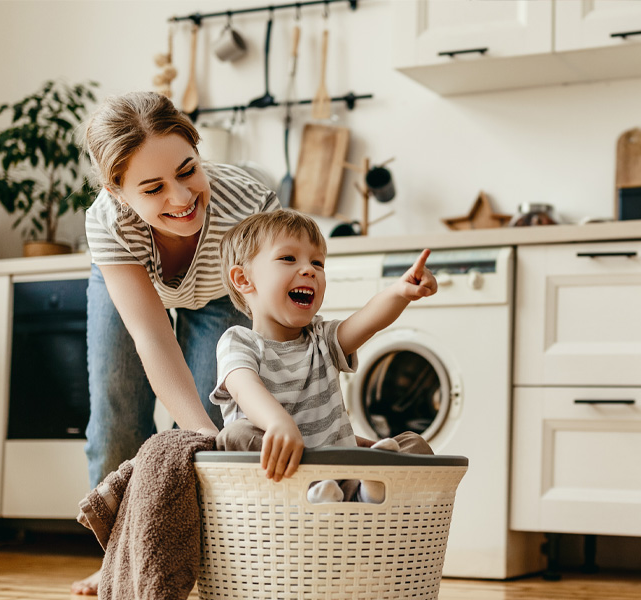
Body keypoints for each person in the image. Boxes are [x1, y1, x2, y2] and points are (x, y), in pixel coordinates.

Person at [71, 91, 278, 595]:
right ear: (119, 193)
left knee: (219, 420)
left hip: (222, 292)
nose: (182, 198)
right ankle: (120, 558)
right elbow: (151, 336)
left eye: (188, 171)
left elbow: (272, 317)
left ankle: (209, 563)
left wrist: (217, 435)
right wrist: (201, 436)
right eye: (154, 188)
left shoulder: (249, 204)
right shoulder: (108, 222)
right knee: (118, 413)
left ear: (198, 150)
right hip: (135, 281)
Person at [211, 210, 437, 503]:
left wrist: (400, 292)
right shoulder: (238, 342)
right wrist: (279, 423)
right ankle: (317, 494)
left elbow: (368, 320)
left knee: (414, 445)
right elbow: (244, 387)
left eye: (317, 262)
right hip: (281, 477)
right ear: (243, 279)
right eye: (288, 259)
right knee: (235, 436)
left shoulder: (322, 339)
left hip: (342, 469)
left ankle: (365, 493)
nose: (309, 270)